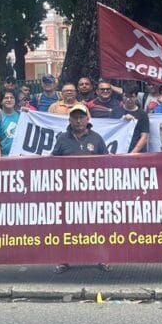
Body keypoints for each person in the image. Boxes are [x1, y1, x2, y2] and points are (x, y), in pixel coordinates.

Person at [50, 103, 109, 273]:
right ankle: (64, 260)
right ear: (69, 119)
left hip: (92, 191)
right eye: (74, 117)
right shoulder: (62, 138)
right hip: (68, 192)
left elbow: (106, 162)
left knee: (97, 225)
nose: (78, 120)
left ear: (87, 118)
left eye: (81, 116)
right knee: (66, 227)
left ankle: (102, 258)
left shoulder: (96, 138)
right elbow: (53, 162)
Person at [0, 90, 22, 157]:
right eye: (6, 98)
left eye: (12, 97)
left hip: (21, 157)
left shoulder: (22, 116)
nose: (9, 100)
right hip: (5, 158)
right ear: (1, 101)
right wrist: (0, 162)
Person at [120, 84, 150, 153]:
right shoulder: (115, 112)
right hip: (119, 152)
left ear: (136, 97)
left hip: (137, 154)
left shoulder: (143, 114)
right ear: (122, 96)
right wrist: (122, 120)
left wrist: (132, 153)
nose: (128, 99)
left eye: (131, 97)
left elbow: (144, 137)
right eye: (126, 96)